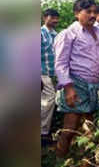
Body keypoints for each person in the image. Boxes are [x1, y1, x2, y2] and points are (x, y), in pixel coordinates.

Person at [54, 0, 99, 157]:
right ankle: (59, 157)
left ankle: (89, 157)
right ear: (76, 14)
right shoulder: (68, 34)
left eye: (95, 12)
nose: (93, 15)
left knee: (90, 125)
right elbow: (60, 63)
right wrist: (68, 88)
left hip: (94, 85)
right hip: (76, 84)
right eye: (88, 12)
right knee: (70, 127)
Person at [41, 8, 59, 146]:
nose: (55, 20)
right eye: (52, 17)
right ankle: (43, 133)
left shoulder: (55, 35)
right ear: (44, 18)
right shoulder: (40, 33)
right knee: (49, 99)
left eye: (56, 18)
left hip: (53, 73)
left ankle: (45, 130)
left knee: (49, 101)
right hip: (41, 72)